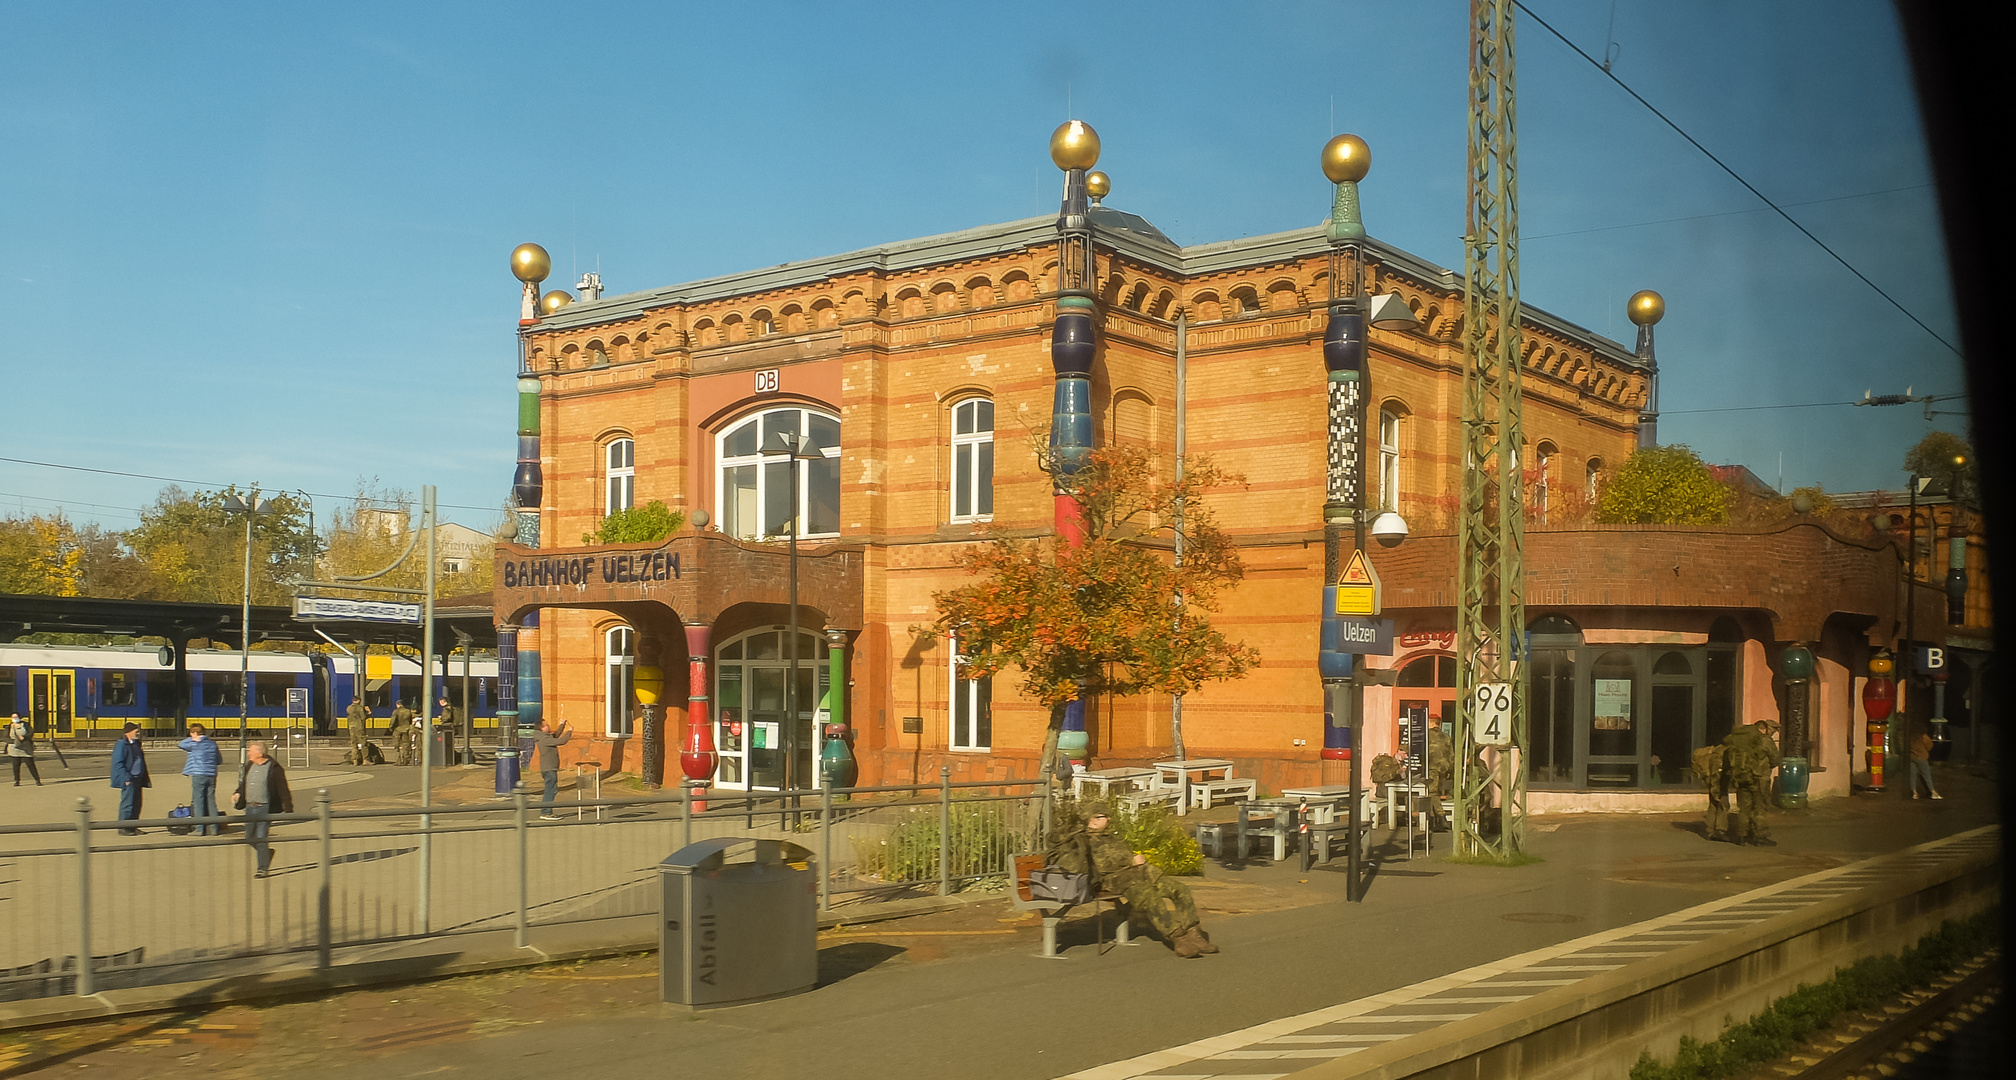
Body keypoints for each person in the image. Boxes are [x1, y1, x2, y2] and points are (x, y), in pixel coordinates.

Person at [1050, 801, 1218, 958]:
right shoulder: (1087, 840)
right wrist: (1130, 861)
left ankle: (1193, 932)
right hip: (1120, 881)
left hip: (1143, 874)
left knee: (1181, 890)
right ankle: (1178, 938)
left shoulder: (1109, 836)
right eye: (1103, 816)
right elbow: (1103, 866)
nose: (1108, 819)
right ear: (1092, 820)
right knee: (1151, 899)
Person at [233, 740, 294, 878]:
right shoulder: (250, 765)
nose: (248, 753)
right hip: (250, 806)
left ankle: (262, 868)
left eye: (251, 751)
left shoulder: (274, 768)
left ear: (259, 753)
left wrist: (288, 808)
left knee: (261, 837)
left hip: (264, 807)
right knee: (249, 837)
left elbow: (283, 788)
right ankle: (266, 853)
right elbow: (245, 783)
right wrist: (238, 792)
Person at [1722, 719, 1781, 846]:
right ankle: (1760, 836)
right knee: (1759, 808)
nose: (1772, 733)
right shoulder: (1764, 741)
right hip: (1759, 780)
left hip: (1741, 777)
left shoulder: (1739, 742)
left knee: (1744, 807)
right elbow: (1775, 760)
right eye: (1772, 730)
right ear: (1764, 728)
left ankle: (1742, 836)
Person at [177, 723, 222, 835]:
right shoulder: (212, 744)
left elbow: (180, 744)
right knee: (211, 801)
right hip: (211, 774)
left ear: (194, 733)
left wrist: (194, 738)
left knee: (198, 801)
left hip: (198, 774)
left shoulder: (193, 744)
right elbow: (219, 760)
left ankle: (199, 829)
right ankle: (214, 828)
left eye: (191, 733)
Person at [110, 722, 150, 834]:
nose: (138, 733)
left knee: (137, 804)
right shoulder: (122, 744)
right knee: (127, 803)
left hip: (137, 778)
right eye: (136, 731)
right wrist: (126, 778)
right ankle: (123, 827)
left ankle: (133, 826)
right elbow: (118, 763)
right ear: (128, 732)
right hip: (129, 779)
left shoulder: (136, 743)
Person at [532, 718, 572, 819]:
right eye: (546, 725)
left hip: (549, 768)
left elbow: (556, 736)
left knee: (551, 789)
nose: (548, 726)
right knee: (551, 790)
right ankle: (546, 812)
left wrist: (562, 725)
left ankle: (546, 811)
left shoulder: (544, 737)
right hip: (549, 768)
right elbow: (561, 741)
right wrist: (569, 732)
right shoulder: (544, 739)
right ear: (542, 729)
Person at [1692, 742, 1731, 842]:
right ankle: (1720, 831)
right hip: (1717, 781)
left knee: (1714, 805)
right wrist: (1715, 790)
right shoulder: (1721, 752)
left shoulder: (1721, 750)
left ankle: (1710, 830)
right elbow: (1716, 772)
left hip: (1712, 780)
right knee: (1723, 804)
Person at [1424, 716, 1453, 831]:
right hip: (1444, 770)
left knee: (1432, 793)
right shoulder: (1446, 737)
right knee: (1436, 793)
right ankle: (1433, 820)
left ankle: (1441, 817)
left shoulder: (1426, 736)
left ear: (1431, 723)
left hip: (1431, 768)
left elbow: (1413, 747)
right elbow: (1452, 756)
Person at [7, 712, 43, 787]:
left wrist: (24, 737)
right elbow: (5, 737)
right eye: (13, 717)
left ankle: (37, 780)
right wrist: (13, 741)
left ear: (20, 717)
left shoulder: (26, 725)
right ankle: (17, 780)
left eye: (16, 717)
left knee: (30, 764)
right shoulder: (9, 726)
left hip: (26, 747)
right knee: (16, 765)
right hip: (14, 748)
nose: (14, 719)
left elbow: (31, 732)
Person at [1908, 731, 1943, 800]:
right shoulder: (1923, 737)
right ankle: (1933, 792)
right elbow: (1930, 746)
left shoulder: (1910, 737)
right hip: (1922, 757)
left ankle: (1914, 793)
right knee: (1927, 775)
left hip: (1912, 757)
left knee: (1913, 775)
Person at [346, 697, 371, 766]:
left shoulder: (349, 708)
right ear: (359, 700)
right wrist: (368, 713)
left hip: (351, 728)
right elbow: (363, 717)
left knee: (354, 744)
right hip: (359, 727)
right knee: (363, 743)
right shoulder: (360, 708)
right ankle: (365, 760)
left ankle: (355, 761)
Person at [389, 701, 416, 766]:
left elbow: (393, 721)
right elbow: (410, 721)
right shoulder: (408, 711)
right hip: (406, 729)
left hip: (397, 730)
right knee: (406, 745)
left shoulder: (396, 711)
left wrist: (391, 728)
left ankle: (398, 760)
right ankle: (405, 760)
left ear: (398, 705)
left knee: (397, 745)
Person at [437, 697, 461, 765]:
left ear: (442, 701)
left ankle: (450, 759)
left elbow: (447, 718)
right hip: (452, 726)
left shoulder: (446, 709)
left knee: (447, 743)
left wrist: (441, 718)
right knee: (450, 743)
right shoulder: (451, 707)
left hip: (448, 727)